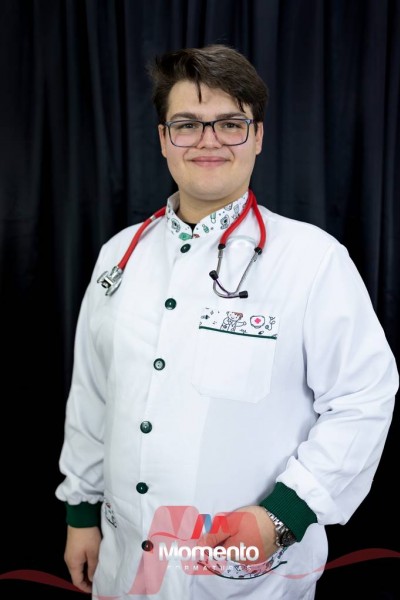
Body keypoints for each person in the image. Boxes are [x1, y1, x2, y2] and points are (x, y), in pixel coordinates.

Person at [55, 44, 398, 600]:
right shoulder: (119, 256)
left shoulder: (312, 260)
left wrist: (284, 514)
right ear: (163, 138)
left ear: (257, 137)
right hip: (125, 559)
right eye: (187, 124)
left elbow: (363, 398)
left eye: (231, 124)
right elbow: (92, 394)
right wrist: (80, 511)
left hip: (246, 570)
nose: (208, 141)